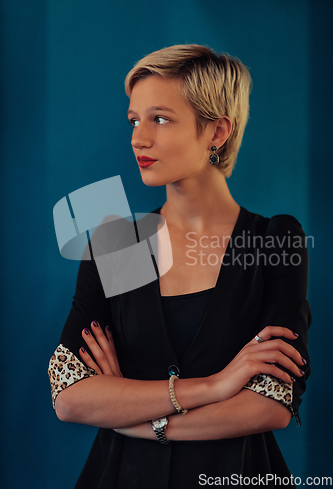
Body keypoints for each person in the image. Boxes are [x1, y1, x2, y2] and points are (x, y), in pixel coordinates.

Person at [48, 44, 311, 488]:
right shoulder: (120, 244)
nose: (138, 138)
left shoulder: (271, 240)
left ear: (217, 131)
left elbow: (270, 403)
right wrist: (214, 386)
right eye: (134, 120)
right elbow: (70, 396)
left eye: (161, 118)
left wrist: (133, 417)